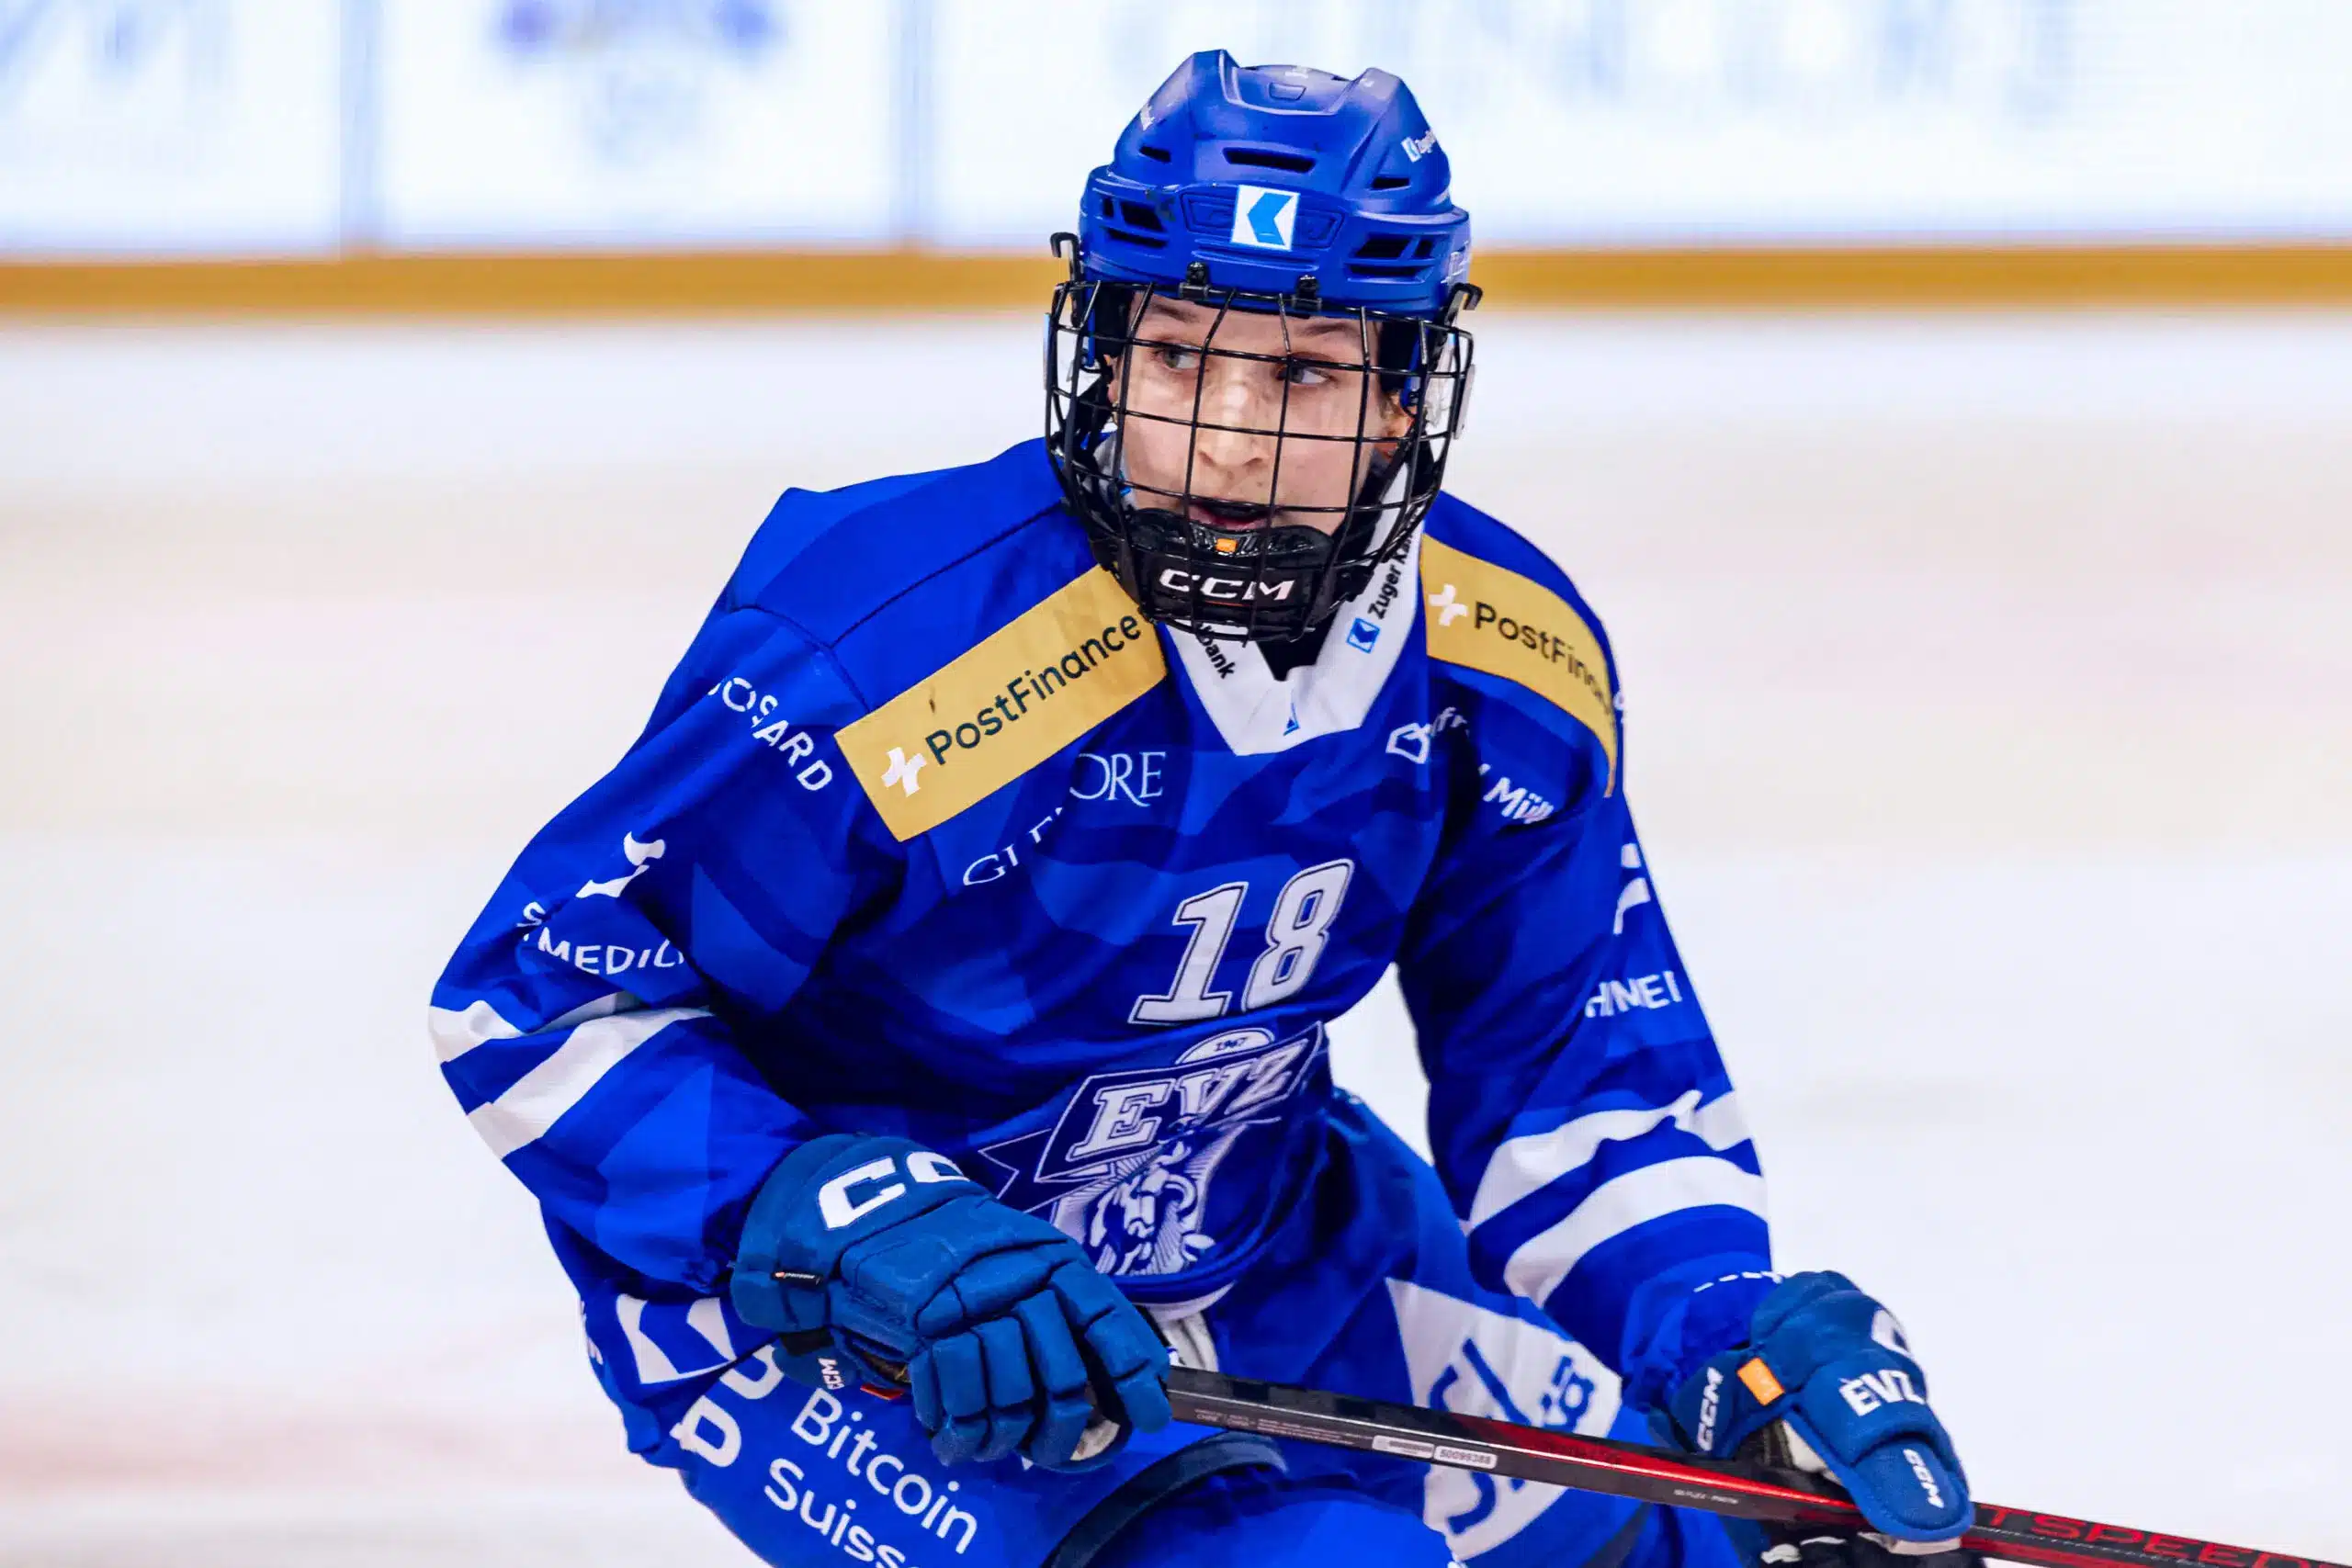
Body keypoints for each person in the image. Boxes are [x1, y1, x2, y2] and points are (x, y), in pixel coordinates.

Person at [430, 51, 1976, 1568]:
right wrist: (840, 1216)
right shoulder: (893, 655)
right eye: (1179, 357)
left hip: (1271, 1245)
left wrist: (1727, 1330)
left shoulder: (1504, 660)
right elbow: (535, 994)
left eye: (1301, 374)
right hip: (878, 1332)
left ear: (1402, 397)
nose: (1229, 442)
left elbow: (1572, 1075)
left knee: (1739, 1539)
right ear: (1106, 357)